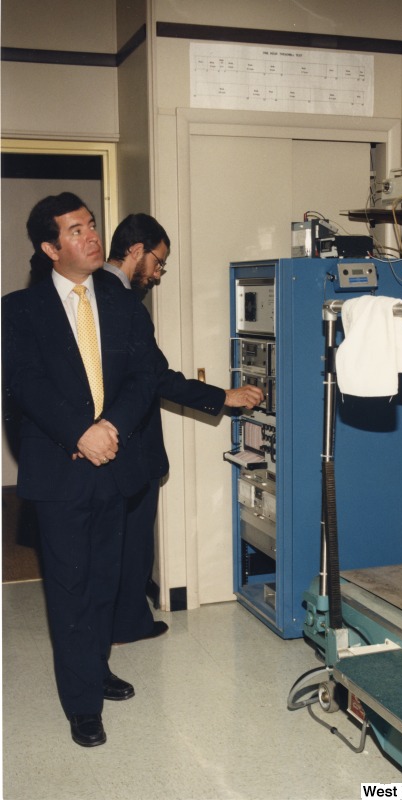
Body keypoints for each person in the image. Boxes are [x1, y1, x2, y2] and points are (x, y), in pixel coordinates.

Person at [2, 193, 160, 747]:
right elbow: (25, 385)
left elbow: (146, 376)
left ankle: (95, 669)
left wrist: (109, 427)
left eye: (91, 225)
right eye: (76, 231)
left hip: (113, 465)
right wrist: (79, 433)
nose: (92, 237)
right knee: (69, 590)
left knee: (105, 582)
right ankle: (80, 704)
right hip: (60, 470)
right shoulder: (18, 311)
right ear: (50, 247)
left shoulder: (122, 304)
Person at [103, 213, 264, 644]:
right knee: (133, 542)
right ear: (136, 250)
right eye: (158, 262)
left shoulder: (88, 295)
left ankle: (118, 620)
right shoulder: (123, 305)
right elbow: (157, 377)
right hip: (130, 448)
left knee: (109, 543)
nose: (157, 275)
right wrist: (224, 396)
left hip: (97, 445)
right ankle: (130, 624)